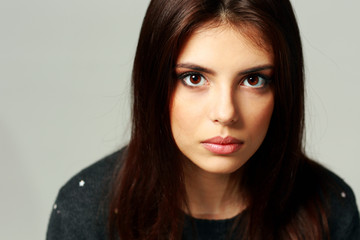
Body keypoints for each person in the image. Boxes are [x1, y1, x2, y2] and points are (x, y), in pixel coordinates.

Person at [46, 0, 360, 239]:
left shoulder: (330, 208)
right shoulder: (86, 213)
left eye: (253, 80)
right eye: (194, 78)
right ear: (153, 82)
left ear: (284, 88)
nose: (225, 113)